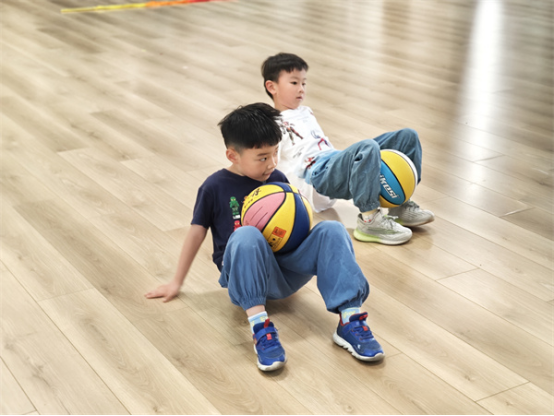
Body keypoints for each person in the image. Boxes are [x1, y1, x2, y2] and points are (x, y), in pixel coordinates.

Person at [145, 103, 384, 372]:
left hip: (286, 270)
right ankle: (261, 328)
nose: (272, 163)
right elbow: (196, 232)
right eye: (262, 157)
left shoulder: (277, 178)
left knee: (332, 229)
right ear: (232, 155)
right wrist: (176, 282)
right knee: (246, 234)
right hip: (243, 278)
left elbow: (297, 226)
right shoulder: (213, 187)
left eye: (275, 153)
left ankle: (349, 320)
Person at [261, 53, 435, 245]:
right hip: (316, 175)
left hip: (332, 161)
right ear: (272, 87)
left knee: (407, 137)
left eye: (304, 83)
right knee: (367, 148)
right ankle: (369, 221)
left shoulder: (305, 111)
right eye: (294, 83)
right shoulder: (271, 123)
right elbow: (265, 162)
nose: (301, 89)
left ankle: (400, 206)